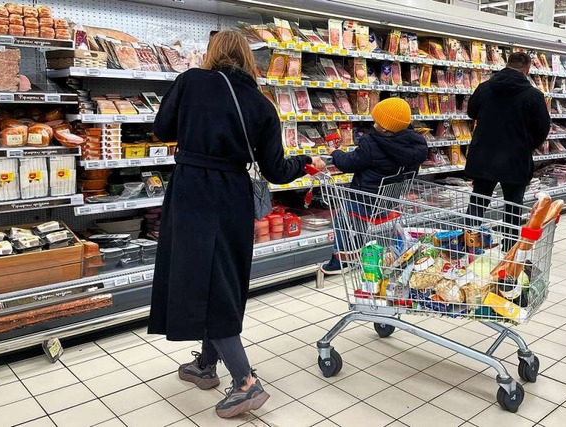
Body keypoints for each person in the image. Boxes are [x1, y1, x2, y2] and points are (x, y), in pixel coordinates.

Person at [147, 31, 321, 419]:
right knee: (220, 278)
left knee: (203, 280)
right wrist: (305, 160)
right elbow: (276, 171)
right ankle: (207, 364)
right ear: (247, 58)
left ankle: (245, 382)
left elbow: (162, 129)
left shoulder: (190, 81)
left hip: (193, 191)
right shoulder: (261, 104)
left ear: (212, 54)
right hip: (233, 196)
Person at [320, 97, 427, 275]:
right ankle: (356, 253)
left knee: (343, 221)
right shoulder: (414, 144)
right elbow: (412, 173)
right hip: (388, 199)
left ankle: (340, 261)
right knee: (357, 221)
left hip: (364, 198)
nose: (373, 123)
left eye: (376, 120)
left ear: (384, 127)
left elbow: (348, 163)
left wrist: (335, 153)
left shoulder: (372, 144)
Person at [464, 52, 550, 249]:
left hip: (484, 156)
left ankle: (468, 246)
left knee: (478, 201)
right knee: (513, 207)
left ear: (507, 64)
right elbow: (543, 128)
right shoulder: (534, 96)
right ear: (527, 69)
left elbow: (471, 112)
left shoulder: (485, 88)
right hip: (515, 159)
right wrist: (526, 144)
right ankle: (508, 251)